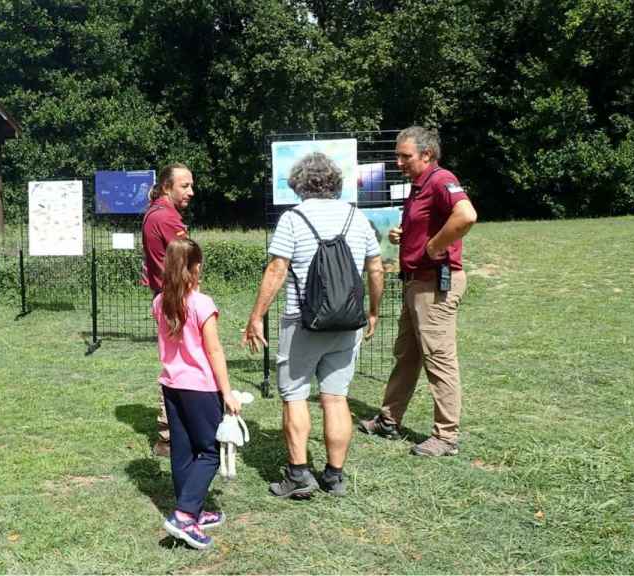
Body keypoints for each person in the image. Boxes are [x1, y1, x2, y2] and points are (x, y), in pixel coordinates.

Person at [242, 152, 384, 499]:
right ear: (334, 183)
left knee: (294, 396)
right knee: (336, 398)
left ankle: (298, 475)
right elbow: (376, 268)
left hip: (302, 321)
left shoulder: (293, 219)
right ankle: (335, 477)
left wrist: (256, 316)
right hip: (347, 323)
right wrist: (373, 312)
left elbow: (277, 270)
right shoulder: (357, 217)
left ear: (299, 185)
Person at [358, 126, 477, 457]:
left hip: (434, 284)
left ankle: (446, 436)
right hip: (417, 284)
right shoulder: (419, 185)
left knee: (439, 359)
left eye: (405, 156)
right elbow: (428, 223)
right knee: (407, 355)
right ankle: (388, 420)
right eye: (398, 155)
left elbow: (466, 215)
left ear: (427, 155)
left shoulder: (440, 180)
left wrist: (435, 246)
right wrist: (404, 234)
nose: (399, 162)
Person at [154, 238, 242, 550]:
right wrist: (227, 392)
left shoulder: (160, 301)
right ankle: (184, 514)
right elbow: (214, 350)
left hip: (172, 385)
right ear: (195, 267)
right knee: (209, 451)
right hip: (201, 388)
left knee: (182, 449)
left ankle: (193, 508)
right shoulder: (202, 304)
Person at [142, 163, 195, 457]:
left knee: (177, 362)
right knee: (179, 366)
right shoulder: (166, 218)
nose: (191, 191)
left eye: (190, 185)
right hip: (175, 299)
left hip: (168, 296)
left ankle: (173, 433)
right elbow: (187, 263)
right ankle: (169, 435)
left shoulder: (157, 212)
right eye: (184, 186)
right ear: (166, 187)